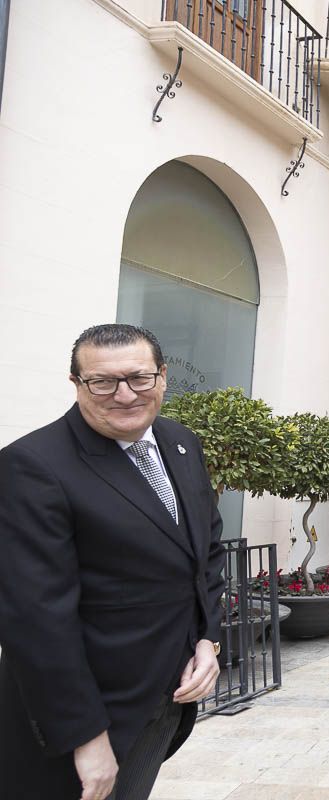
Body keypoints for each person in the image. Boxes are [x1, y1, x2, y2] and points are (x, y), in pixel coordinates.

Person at [0, 323, 225, 800]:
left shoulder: (180, 442)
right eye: (102, 382)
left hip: (165, 697)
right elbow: (37, 619)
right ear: (77, 384)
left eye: (139, 378)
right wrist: (85, 736)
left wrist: (207, 639)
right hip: (92, 716)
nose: (124, 395)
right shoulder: (33, 466)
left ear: (163, 377)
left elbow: (205, 549)